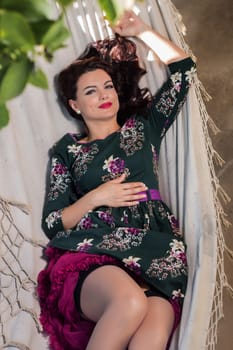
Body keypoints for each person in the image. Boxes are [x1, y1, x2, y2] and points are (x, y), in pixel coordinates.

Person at [37, 10, 196, 350]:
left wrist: (142, 30)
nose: (104, 94)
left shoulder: (143, 127)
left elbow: (183, 72)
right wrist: (97, 196)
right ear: (75, 105)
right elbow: (53, 221)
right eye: (91, 91)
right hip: (94, 249)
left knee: (150, 339)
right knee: (129, 303)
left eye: (107, 86)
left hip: (156, 253)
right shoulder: (67, 152)